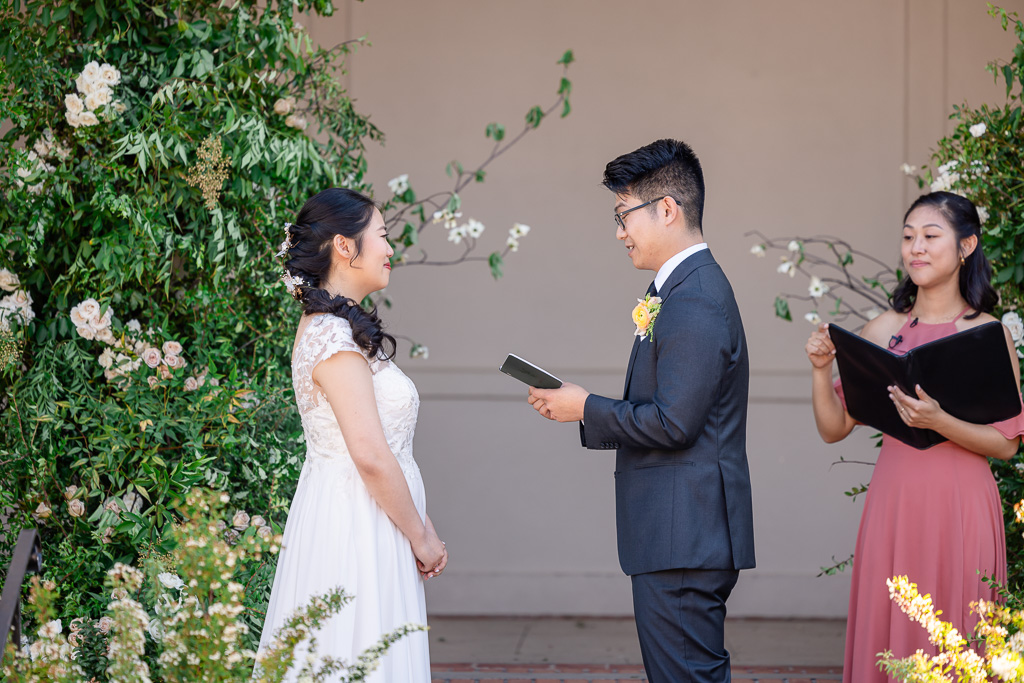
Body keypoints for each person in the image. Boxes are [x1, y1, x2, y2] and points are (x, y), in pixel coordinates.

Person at [527, 139, 755, 683]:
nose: (619, 231)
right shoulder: (681, 289)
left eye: (623, 215)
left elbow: (675, 422)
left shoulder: (694, 296)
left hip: (685, 535)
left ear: (668, 210)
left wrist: (585, 407)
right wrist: (584, 406)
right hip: (681, 532)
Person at [805, 191, 1024, 681]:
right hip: (896, 504)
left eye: (930, 236)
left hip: (963, 507)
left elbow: (1007, 445)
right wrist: (822, 370)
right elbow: (834, 428)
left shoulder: (988, 334)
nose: (916, 248)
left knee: (958, 634)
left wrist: (938, 421)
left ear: (966, 246)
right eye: (908, 237)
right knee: (894, 627)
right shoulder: (884, 329)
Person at [255, 188, 447, 682]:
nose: (389, 249)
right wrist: (422, 537)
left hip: (378, 520)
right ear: (345, 246)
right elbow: (369, 456)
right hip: (356, 529)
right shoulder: (333, 340)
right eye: (381, 237)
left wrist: (419, 525)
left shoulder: (338, 329)